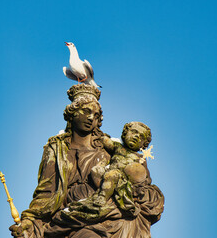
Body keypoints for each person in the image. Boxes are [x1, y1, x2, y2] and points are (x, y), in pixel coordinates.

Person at [10, 84, 164, 238]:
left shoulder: (108, 149)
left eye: (96, 115)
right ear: (72, 113)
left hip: (109, 212)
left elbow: (140, 183)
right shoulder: (57, 150)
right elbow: (46, 192)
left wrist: (136, 188)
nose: (91, 118)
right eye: (86, 112)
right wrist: (30, 220)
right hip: (73, 215)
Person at [66, 122, 154, 220]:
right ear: (125, 134)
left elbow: (147, 178)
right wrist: (100, 135)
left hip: (123, 181)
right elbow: (106, 142)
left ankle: (102, 197)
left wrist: (139, 178)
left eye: (141, 137)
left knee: (113, 174)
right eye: (134, 132)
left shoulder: (140, 158)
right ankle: (106, 191)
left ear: (144, 145)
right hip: (108, 176)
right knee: (96, 170)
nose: (137, 136)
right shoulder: (119, 147)